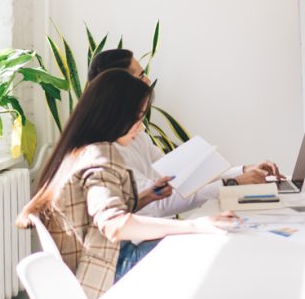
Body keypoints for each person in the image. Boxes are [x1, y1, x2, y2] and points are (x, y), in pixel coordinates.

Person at [17, 69, 239, 299]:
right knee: (206, 250)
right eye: (138, 117)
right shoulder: (99, 155)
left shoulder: (76, 151)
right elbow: (113, 225)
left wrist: (144, 197)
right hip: (105, 270)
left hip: (90, 268)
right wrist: (196, 225)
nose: (140, 127)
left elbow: (94, 215)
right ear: (115, 115)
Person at [87, 49, 283, 220]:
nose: (147, 81)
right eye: (141, 76)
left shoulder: (138, 136)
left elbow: (179, 177)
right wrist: (231, 184)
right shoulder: (105, 152)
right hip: (138, 245)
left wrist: (242, 171)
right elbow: (157, 205)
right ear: (120, 88)